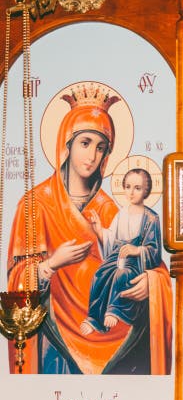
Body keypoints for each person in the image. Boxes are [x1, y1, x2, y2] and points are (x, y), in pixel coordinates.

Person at [6, 84, 173, 375]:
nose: (92, 155)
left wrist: (151, 282)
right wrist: (51, 265)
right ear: (66, 144)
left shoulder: (111, 209)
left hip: (118, 339)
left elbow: (153, 263)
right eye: (85, 143)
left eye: (101, 147)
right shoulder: (36, 204)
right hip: (55, 343)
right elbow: (17, 281)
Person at [80, 168, 163, 335]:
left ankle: (114, 311)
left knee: (122, 275)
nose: (131, 192)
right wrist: (100, 231)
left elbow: (154, 252)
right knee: (99, 274)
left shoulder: (151, 218)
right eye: (128, 186)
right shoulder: (121, 214)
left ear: (146, 191)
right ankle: (94, 318)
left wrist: (137, 250)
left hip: (136, 262)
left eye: (137, 188)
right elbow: (112, 239)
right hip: (117, 256)